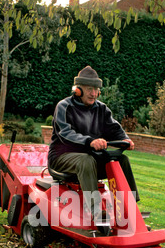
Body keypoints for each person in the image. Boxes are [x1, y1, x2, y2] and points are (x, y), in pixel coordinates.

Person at [48, 66, 140, 229]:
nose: (93, 93)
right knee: (86, 161)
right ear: (78, 90)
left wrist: (125, 139)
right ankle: (97, 213)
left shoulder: (102, 109)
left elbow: (115, 128)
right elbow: (65, 133)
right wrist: (89, 141)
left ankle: (130, 210)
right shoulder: (64, 106)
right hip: (62, 157)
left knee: (121, 160)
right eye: (89, 89)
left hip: (91, 157)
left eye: (96, 89)